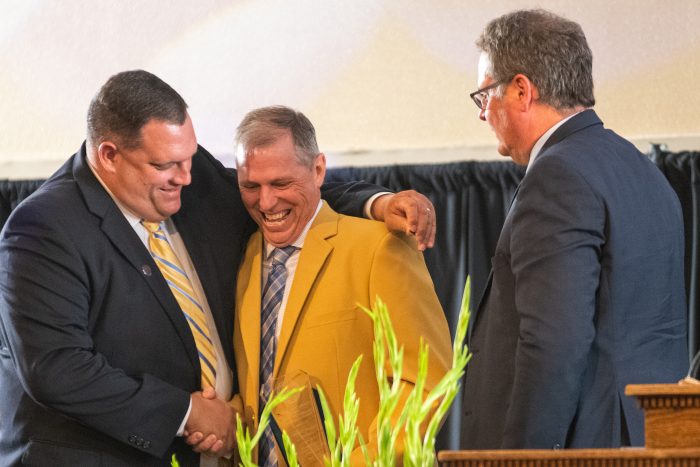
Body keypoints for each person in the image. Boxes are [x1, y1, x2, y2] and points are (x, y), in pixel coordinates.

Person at [0, 70, 436, 467]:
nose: (186, 177)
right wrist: (186, 413)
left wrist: (374, 202)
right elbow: (57, 369)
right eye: (164, 165)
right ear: (110, 155)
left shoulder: (182, 173)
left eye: (189, 157)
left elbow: (282, 184)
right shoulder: (42, 228)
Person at [461, 9, 688, 449]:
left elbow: (553, 342)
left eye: (484, 96)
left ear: (522, 90)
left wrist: (520, 459)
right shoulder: (643, 169)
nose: (483, 113)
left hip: (584, 447)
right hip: (652, 440)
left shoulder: (557, 177)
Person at [229, 106, 452, 464]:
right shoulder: (241, 260)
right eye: (251, 186)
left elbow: (425, 382)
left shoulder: (379, 247)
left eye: (281, 183)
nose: (266, 201)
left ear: (318, 169)